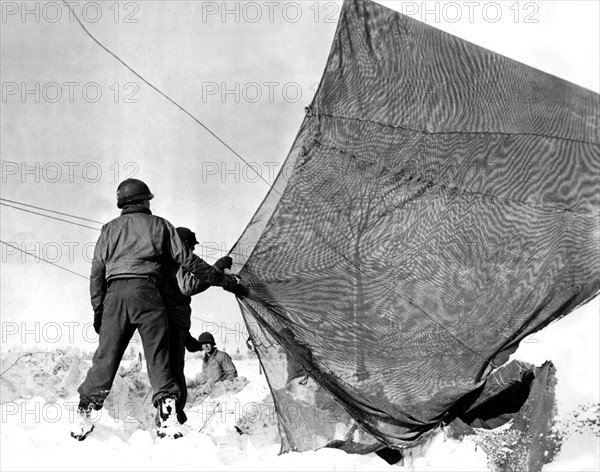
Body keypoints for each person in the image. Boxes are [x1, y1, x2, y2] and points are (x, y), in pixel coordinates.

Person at [71, 178, 246, 441]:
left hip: (114, 297)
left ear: (122, 204)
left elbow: (96, 272)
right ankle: (167, 421)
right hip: (148, 294)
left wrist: (99, 309)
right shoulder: (161, 225)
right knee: (159, 357)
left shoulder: (108, 230)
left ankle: (83, 417)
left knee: (105, 358)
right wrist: (220, 278)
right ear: (144, 200)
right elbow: (188, 260)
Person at [160, 227, 243, 424]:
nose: (192, 252)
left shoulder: (164, 261)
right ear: (183, 245)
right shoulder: (173, 261)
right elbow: (189, 286)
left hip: (168, 325)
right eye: (190, 247)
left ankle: (172, 416)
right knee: (172, 372)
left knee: (170, 371)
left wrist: (187, 337)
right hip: (169, 326)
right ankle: (171, 419)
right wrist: (216, 269)